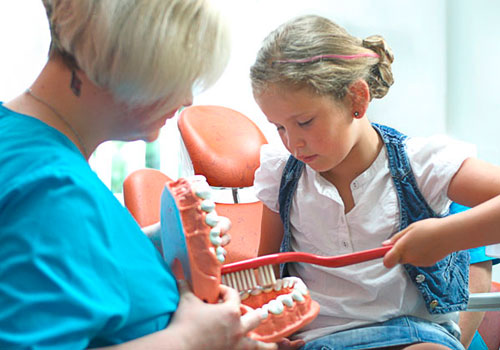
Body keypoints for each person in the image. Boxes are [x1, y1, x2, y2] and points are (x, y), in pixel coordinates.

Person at [0, 0, 280, 349]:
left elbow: (62, 252)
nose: (187, 98)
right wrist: (193, 341)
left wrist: (157, 241)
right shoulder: (51, 191)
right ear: (122, 61)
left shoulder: (18, 135)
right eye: (179, 76)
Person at [249, 14, 500, 350]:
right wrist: (272, 334)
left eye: (305, 122)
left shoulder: (422, 164)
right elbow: (267, 276)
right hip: (318, 341)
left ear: (357, 99)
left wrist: (445, 236)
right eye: (279, 127)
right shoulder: (282, 174)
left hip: (414, 337)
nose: (293, 143)